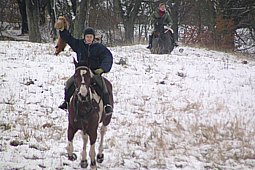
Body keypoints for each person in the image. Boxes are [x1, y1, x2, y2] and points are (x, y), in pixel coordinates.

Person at [54, 16, 113, 116]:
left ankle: (107, 105)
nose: (89, 38)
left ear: (93, 38)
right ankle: (66, 102)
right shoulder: (79, 44)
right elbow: (68, 38)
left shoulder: (99, 47)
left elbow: (107, 57)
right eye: (87, 36)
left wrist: (102, 68)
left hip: (94, 72)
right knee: (69, 83)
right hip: (81, 71)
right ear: (84, 37)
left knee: (103, 86)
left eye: (91, 37)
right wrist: (62, 30)